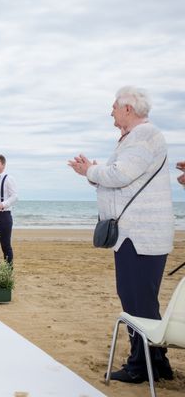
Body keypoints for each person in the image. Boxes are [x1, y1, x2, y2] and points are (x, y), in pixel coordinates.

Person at [69, 85, 174, 384]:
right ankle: (157, 363)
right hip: (138, 235)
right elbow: (120, 175)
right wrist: (94, 171)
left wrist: (89, 171)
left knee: (136, 302)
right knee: (142, 300)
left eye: (114, 106)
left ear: (128, 108)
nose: (111, 112)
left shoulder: (143, 135)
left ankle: (139, 367)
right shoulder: (137, 136)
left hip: (139, 235)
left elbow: (120, 175)